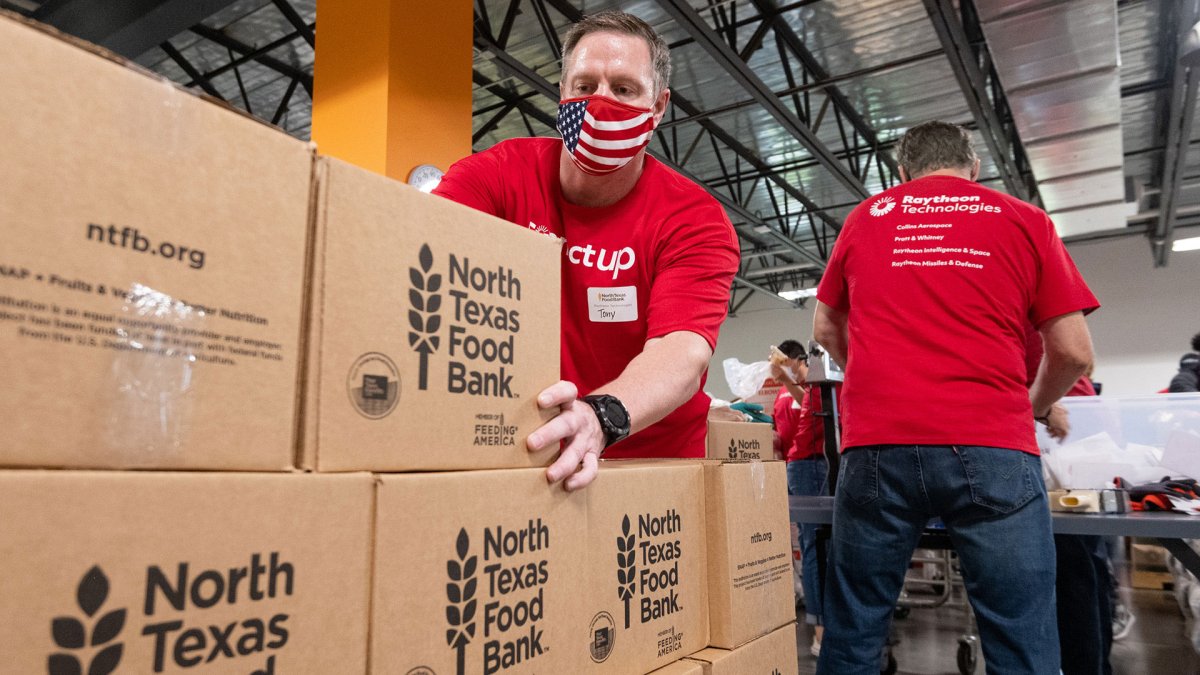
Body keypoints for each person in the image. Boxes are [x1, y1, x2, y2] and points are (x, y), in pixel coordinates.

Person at [812, 120, 1099, 673]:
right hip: (992, 443)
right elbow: (1074, 354)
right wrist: (1033, 402)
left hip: (877, 447)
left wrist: (873, 378)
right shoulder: (1024, 220)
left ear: (900, 174)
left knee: (854, 630)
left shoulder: (866, 218)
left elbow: (825, 330)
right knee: (1021, 638)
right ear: (975, 169)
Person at [433, 11, 740, 490]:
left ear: (658, 107)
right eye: (584, 85)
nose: (599, 103)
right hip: (521, 449)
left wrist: (600, 419)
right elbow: (424, 263)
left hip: (651, 462)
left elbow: (680, 351)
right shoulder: (494, 178)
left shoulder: (693, 220)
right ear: (562, 93)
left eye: (623, 88)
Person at [771, 339, 833, 657]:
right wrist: (787, 373)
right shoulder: (810, 374)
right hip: (807, 462)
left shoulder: (808, 381)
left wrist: (786, 375)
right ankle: (820, 628)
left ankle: (824, 624)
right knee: (814, 546)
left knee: (819, 545)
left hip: (812, 462)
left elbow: (812, 396)